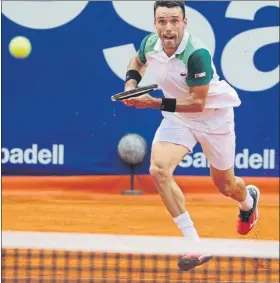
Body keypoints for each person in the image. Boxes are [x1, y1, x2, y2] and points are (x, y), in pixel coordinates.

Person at [122, 1, 260, 272]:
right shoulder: (151, 43)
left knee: (226, 186)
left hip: (213, 116)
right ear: (155, 24)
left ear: (185, 23)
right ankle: (195, 243)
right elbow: (138, 61)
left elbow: (198, 102)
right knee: (159, 170)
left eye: (174, 21)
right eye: (162, 21)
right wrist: (131, 84)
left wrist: (152, 103)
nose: (168, 28)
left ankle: (248, 201)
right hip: (178, 117)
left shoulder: (197, 53)